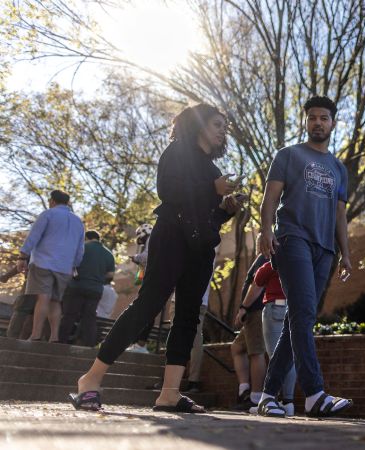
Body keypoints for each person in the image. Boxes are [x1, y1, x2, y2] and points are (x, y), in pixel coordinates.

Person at [71, 104, 242, 413]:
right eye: (217, 124)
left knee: (188, 316)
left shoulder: (214, 170)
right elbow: (168, 191)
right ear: (200, 124)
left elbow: (207, 217)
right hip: (171, 237)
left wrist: (225, 210)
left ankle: (169, 394)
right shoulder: (177, 152)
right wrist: (211, 188)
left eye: (224, 126)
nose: (222, 130)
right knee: (147, 306)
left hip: (201, 247)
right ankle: (90, 379)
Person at [255, 95, 353, 418]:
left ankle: (267, 396)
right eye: (312, 118)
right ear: (306, 121)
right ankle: (314, 393)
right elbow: (270, 197)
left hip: (324, 249)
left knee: (300, 318)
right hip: (292, 238)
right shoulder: (288, 155)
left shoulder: (339, 168)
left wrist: (346, 254)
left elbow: (340, 216)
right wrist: (264, 230)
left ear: (333, 123)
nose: (318, 123)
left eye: (324, 118)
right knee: (303, 313)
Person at [17, 190, 85, 342]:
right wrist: (74, 265)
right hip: (65, 267)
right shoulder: (78, 222)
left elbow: (34, 236)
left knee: (43, 298)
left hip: (43, 262)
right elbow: (80, 248)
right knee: (55, 301)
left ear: (53, 201)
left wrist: (23, 256)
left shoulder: (48, 214)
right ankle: (54, 336)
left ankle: (35, 335)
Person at [244, 255, 297, 416]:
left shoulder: (274, 262)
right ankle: (287, 402)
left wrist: (243, 307)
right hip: (294, 307)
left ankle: (270, 400)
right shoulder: (301, 261)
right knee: (289, 355)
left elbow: (257, 283)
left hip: (275, 307)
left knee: (276, 355)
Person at [58, 231, 115, 347]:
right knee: (89, 318)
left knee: (69, 315)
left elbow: (70, 265)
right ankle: (89, 346)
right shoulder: (108, 254)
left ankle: (60, 342)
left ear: (87, 238)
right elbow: (110, 275)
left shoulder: (81, 248)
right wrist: (98, 278)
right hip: (95, 290)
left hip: (76, 286)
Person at [230, 255, 269, 411]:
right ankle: (244, 390)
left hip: (257, 310)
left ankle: (255, 398)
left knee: (256, 352)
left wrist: (244, 308)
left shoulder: (266, 256)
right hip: (253, 312)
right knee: (237, 348)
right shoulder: (262, 257)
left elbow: (256, 284)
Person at [128, 223, 154, 353]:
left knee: (143, 310)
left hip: (154, 278)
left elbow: (147, 255)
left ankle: (139, 344)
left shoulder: (152, 238)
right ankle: (141, 344)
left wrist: (136, 258)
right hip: (162, 278)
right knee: (149, 311)